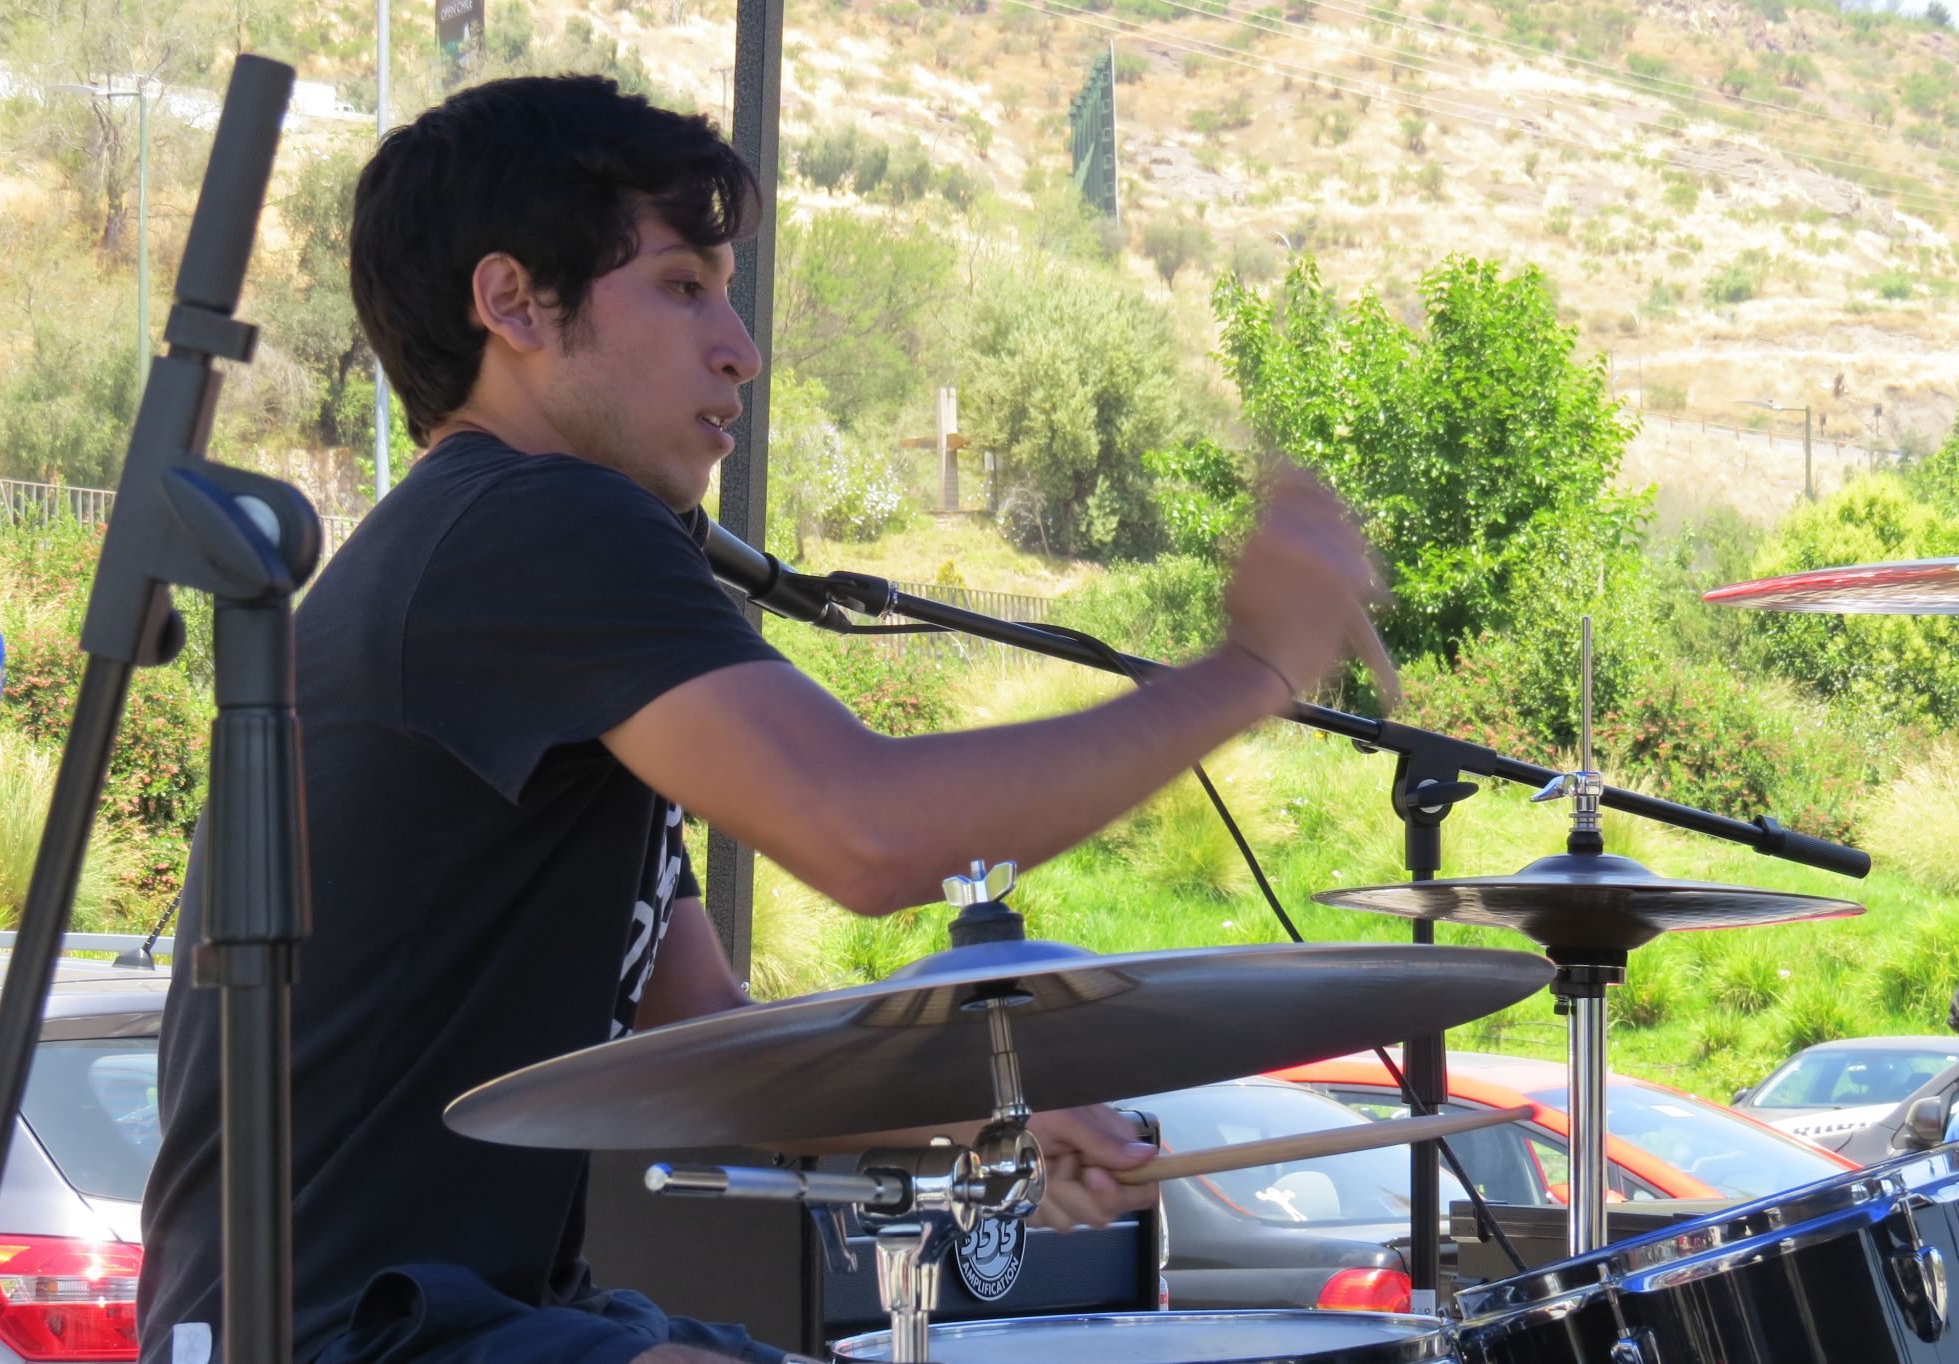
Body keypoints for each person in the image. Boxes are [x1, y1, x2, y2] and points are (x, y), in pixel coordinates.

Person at [136, 73, 1393, 1364]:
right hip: (347, 1333)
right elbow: (869, 835)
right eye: (683, 287)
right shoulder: (536, 521)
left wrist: (979, 1117)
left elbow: (699, 1041)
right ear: (512, 302)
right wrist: (1251, 671)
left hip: (427, 1320)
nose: (741, 347)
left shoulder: (490, 555)